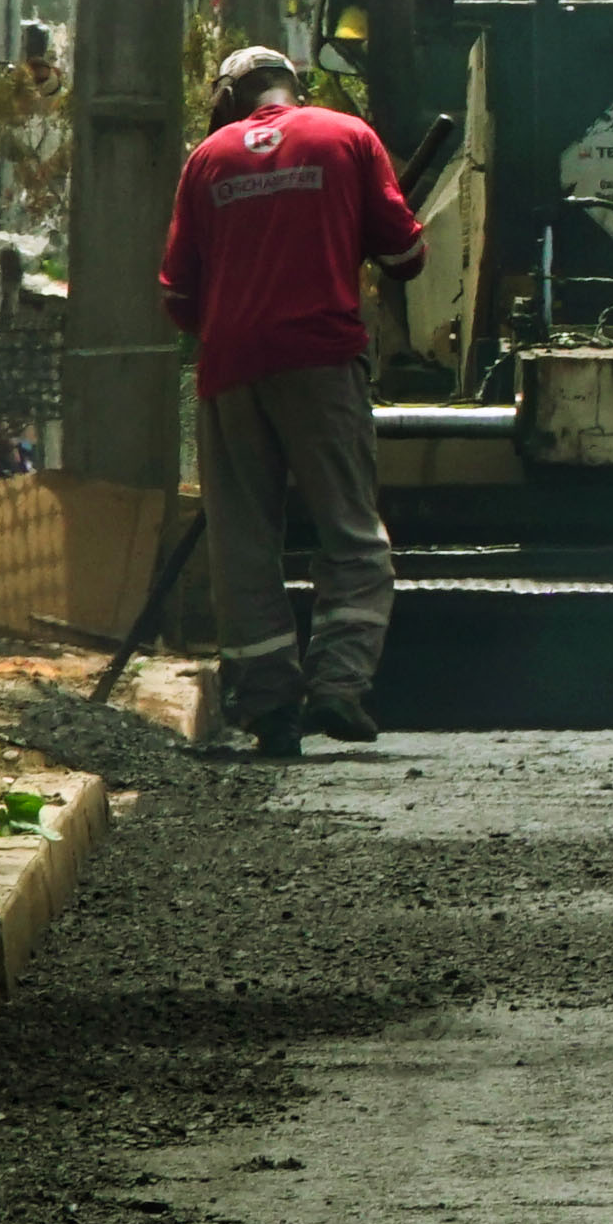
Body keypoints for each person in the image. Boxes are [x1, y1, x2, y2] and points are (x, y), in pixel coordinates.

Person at [156, 47, 424, 757]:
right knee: (350, 530)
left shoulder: (206, 159)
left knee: (243, 543)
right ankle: (339, 682)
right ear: (293, 87)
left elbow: (177, 296)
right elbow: (405, 257)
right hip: (322, 363)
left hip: (231, 368)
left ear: (227, 99)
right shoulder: (348, 136)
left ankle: (270, 707)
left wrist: (235, 316)